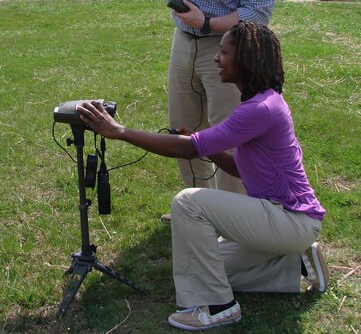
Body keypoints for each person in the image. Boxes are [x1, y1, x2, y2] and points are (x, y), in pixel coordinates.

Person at [37, 0, 279, 199]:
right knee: (184, 129)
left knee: (230, 137)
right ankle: (198, 204)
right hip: (184, 43)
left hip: (230, 53)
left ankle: (232, 214)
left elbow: (257, 14)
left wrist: (206, 21)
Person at [77, 21, 329, 331]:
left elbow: (188, 149)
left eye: (223, 52)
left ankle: (219, 307)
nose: (215, 58)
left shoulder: (258, 109)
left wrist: (119, 132)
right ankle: (295, 265)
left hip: (291, 220)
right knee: (203, 267)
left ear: (246, 58)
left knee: (188, 202)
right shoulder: (263, 101)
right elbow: (241, 168)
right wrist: (204, 146)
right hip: (286, 223)